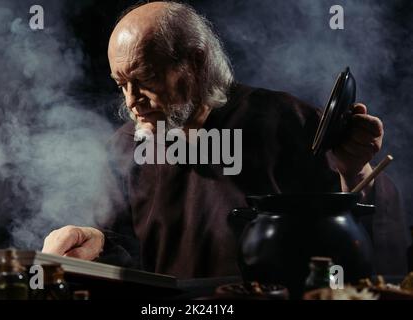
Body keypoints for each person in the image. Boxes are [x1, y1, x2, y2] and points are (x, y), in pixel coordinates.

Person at [42, 1, 410, 278]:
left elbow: (374, 253)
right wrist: (93, 238)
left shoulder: (288, 121)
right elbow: (120, 244)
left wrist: (354, 170)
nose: (131, 100)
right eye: (121, 84)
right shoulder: (127, 146)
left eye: (146, 77)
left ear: (196, 62)